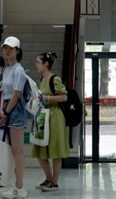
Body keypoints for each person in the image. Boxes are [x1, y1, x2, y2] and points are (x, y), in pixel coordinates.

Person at [31, 52, 69, 192]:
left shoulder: (54, 79)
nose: (36, 65)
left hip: (54, 117)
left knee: (55, 148)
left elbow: (64, 97)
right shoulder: (42, 80)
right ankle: (49, 178)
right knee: (40, 148)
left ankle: (54, 182)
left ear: (46, 64)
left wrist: (46, 98)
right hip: (42, 116)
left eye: (38, 62)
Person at [0, 36, 28, 198]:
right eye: (5, 48)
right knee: (13, 151)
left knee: (18, 151)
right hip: (8, 108)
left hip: (15, 109)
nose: (7, 50)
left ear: (17, 50)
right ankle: (15, 183)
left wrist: (7, 112)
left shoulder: (18, 70)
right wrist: (2, 111)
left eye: (11, 48)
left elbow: (16, 94)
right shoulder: (7, 69)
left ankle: (20, 186)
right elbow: (4, 92)